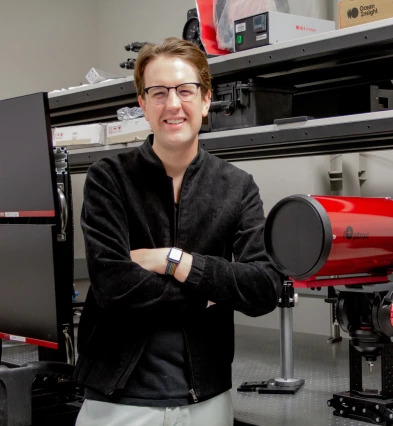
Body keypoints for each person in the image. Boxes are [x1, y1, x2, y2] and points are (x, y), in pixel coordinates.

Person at [73, 37, 281, 426]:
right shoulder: (109, 179)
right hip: (117, 401)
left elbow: (263, 287)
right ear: (142, 104)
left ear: (205, 100)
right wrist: (207, 297)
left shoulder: (236, 186)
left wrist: (175, 261)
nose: (173, 104)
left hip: (205, 401)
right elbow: (113, 285)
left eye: (185, 90)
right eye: (158, 92)